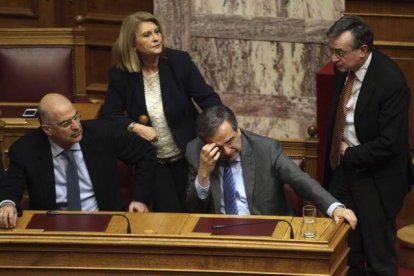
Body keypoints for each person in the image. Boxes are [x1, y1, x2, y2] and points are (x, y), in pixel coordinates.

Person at [100, 11, 222, 212]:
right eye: (147, 35)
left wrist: (223, 126)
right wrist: (136, 127)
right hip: (153, 160)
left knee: (198, 209)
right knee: (169, 215)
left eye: (157, 31)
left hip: (187, 152)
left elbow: (208, 99)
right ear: (132, 44)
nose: (156, 38)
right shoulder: (120, 74)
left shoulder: (179, 62)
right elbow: (109, 116)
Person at [323, 15, 412, 275]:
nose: (334, 59)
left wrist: (349, 153)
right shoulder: (344, 70)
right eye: (332, 51)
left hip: (378, 179)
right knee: (342, 247)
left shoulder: (390, 82)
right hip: (344, 172)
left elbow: (390, 144)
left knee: (378, 257)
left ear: (363, 51)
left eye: (340, 52)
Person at [186, 105, 357, 230]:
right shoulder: (195, 152)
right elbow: (192, 210)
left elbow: (300, 180)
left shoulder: (266, 149)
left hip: (267, 231)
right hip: (218, 235)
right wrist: (203, 175)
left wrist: (335, 207)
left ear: (238, 130)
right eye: (218, 147)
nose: (227, 151)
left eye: (230, 141)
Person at [0, 93, 157, 229]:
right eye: (66, 123)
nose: (76, 126)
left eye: (76, 117)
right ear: (48, 129)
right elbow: (11, 185)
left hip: (106, 220)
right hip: (52, 227)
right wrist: (7, 204)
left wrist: (140, 198)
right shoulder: (25, 150)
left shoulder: (102, 133)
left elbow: (146, 153)